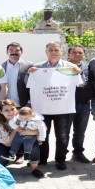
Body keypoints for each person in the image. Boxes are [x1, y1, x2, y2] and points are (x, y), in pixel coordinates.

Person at [27, 41, 82, 171]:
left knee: (62, 136)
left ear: (61, 52)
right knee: (42, 134)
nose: (53, 52)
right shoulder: (37, 68)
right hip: (42, 109)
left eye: (56, 50)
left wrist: (79, 72)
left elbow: (81, 84)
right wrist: (30, 73)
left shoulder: (70, 67)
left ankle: (60, 160)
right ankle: (42, 158)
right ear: (46, 52)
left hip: (63, 108)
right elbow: (28, 84)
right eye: (50, 50)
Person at [0, 100, 42, 177]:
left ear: (16, 109)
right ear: (1, 112)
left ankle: (35, 168)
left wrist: (32, 132)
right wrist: (16, 128)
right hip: (4, 145)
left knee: (33, 144)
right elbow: (7, 143)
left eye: (12, 109)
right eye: (6, 110)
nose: (10, 112)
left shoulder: (23, 115)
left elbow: (42, 129)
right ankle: (9, 160)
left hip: (22, 143)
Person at [67, 45, 94, 163]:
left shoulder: (88, 67)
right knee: (64, 131)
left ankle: (78, 153)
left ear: (84, 54)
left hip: (84, 104)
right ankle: (61, 154)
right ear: (68, 54)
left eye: (80, 53)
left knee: (80, 131)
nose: (77, 54)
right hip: (66, 105)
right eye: (74, 52)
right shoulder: (61, 66)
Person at [1, 42, 32, 108]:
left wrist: (29, 103)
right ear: (7, 52)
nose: (14, 52)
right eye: (11, 50)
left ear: (21, 52)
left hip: (23, 106)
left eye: (17, 50)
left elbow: (33, 86)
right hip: (5, 107)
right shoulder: (0, 67)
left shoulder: (29, 66)